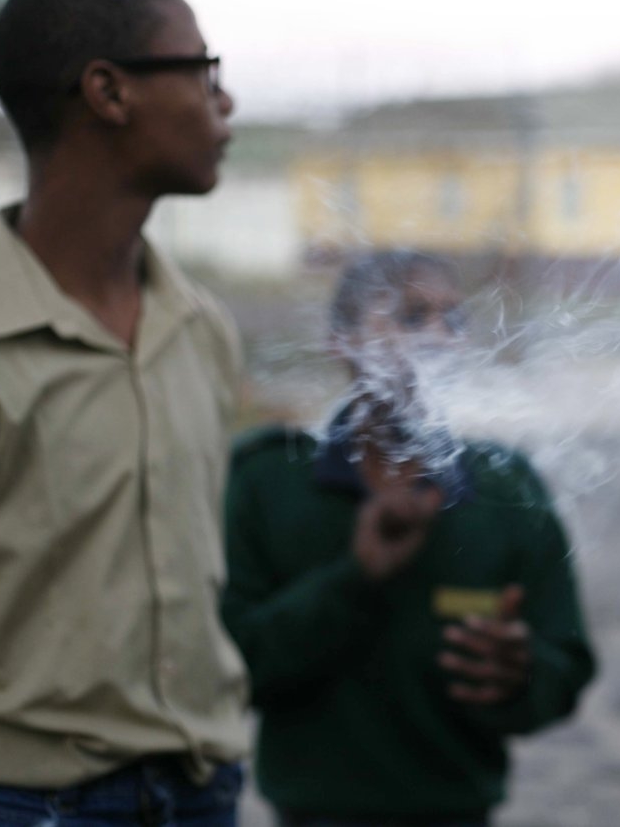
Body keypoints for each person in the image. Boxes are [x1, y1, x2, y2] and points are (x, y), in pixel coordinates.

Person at [0, 0, 247, 822]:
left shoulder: (201, 329)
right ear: (108, 91)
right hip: (5, 804)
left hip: (200, 788)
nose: (227, 103)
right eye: (202, 69)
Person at [222, 250, 596, 826]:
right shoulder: (270, 482)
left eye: (454, 320)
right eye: (411, 317)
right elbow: (229, 670)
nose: (439, 338)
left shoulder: (505, 487)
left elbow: (565, 668)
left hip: (460, 812)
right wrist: (355, 579)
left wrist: (519, 676)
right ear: (341, 341)